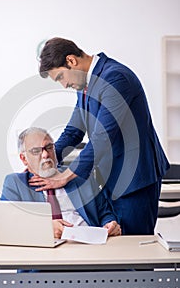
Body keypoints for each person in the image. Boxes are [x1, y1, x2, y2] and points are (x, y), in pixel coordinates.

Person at [30, 37, 170, 235]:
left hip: (134, 179)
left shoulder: (116, 78)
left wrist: (65, 176)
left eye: (61, 77)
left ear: (71, 61)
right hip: (108, 179)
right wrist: (46, 160)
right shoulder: (84, 85)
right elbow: (73, 131)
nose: (64, 85)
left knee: (133, 248)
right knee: (112, 244)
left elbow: (102, 138)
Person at [0, 127, 121, 238]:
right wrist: (44, 227)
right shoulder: (15, 183)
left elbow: (105, 213)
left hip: (88, 245)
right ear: (24, 158)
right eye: (36, 151)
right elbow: (5, 224)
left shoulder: (79, 177)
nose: (46, 154)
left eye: (49, 147)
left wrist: (110, 224)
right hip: (42, 252)